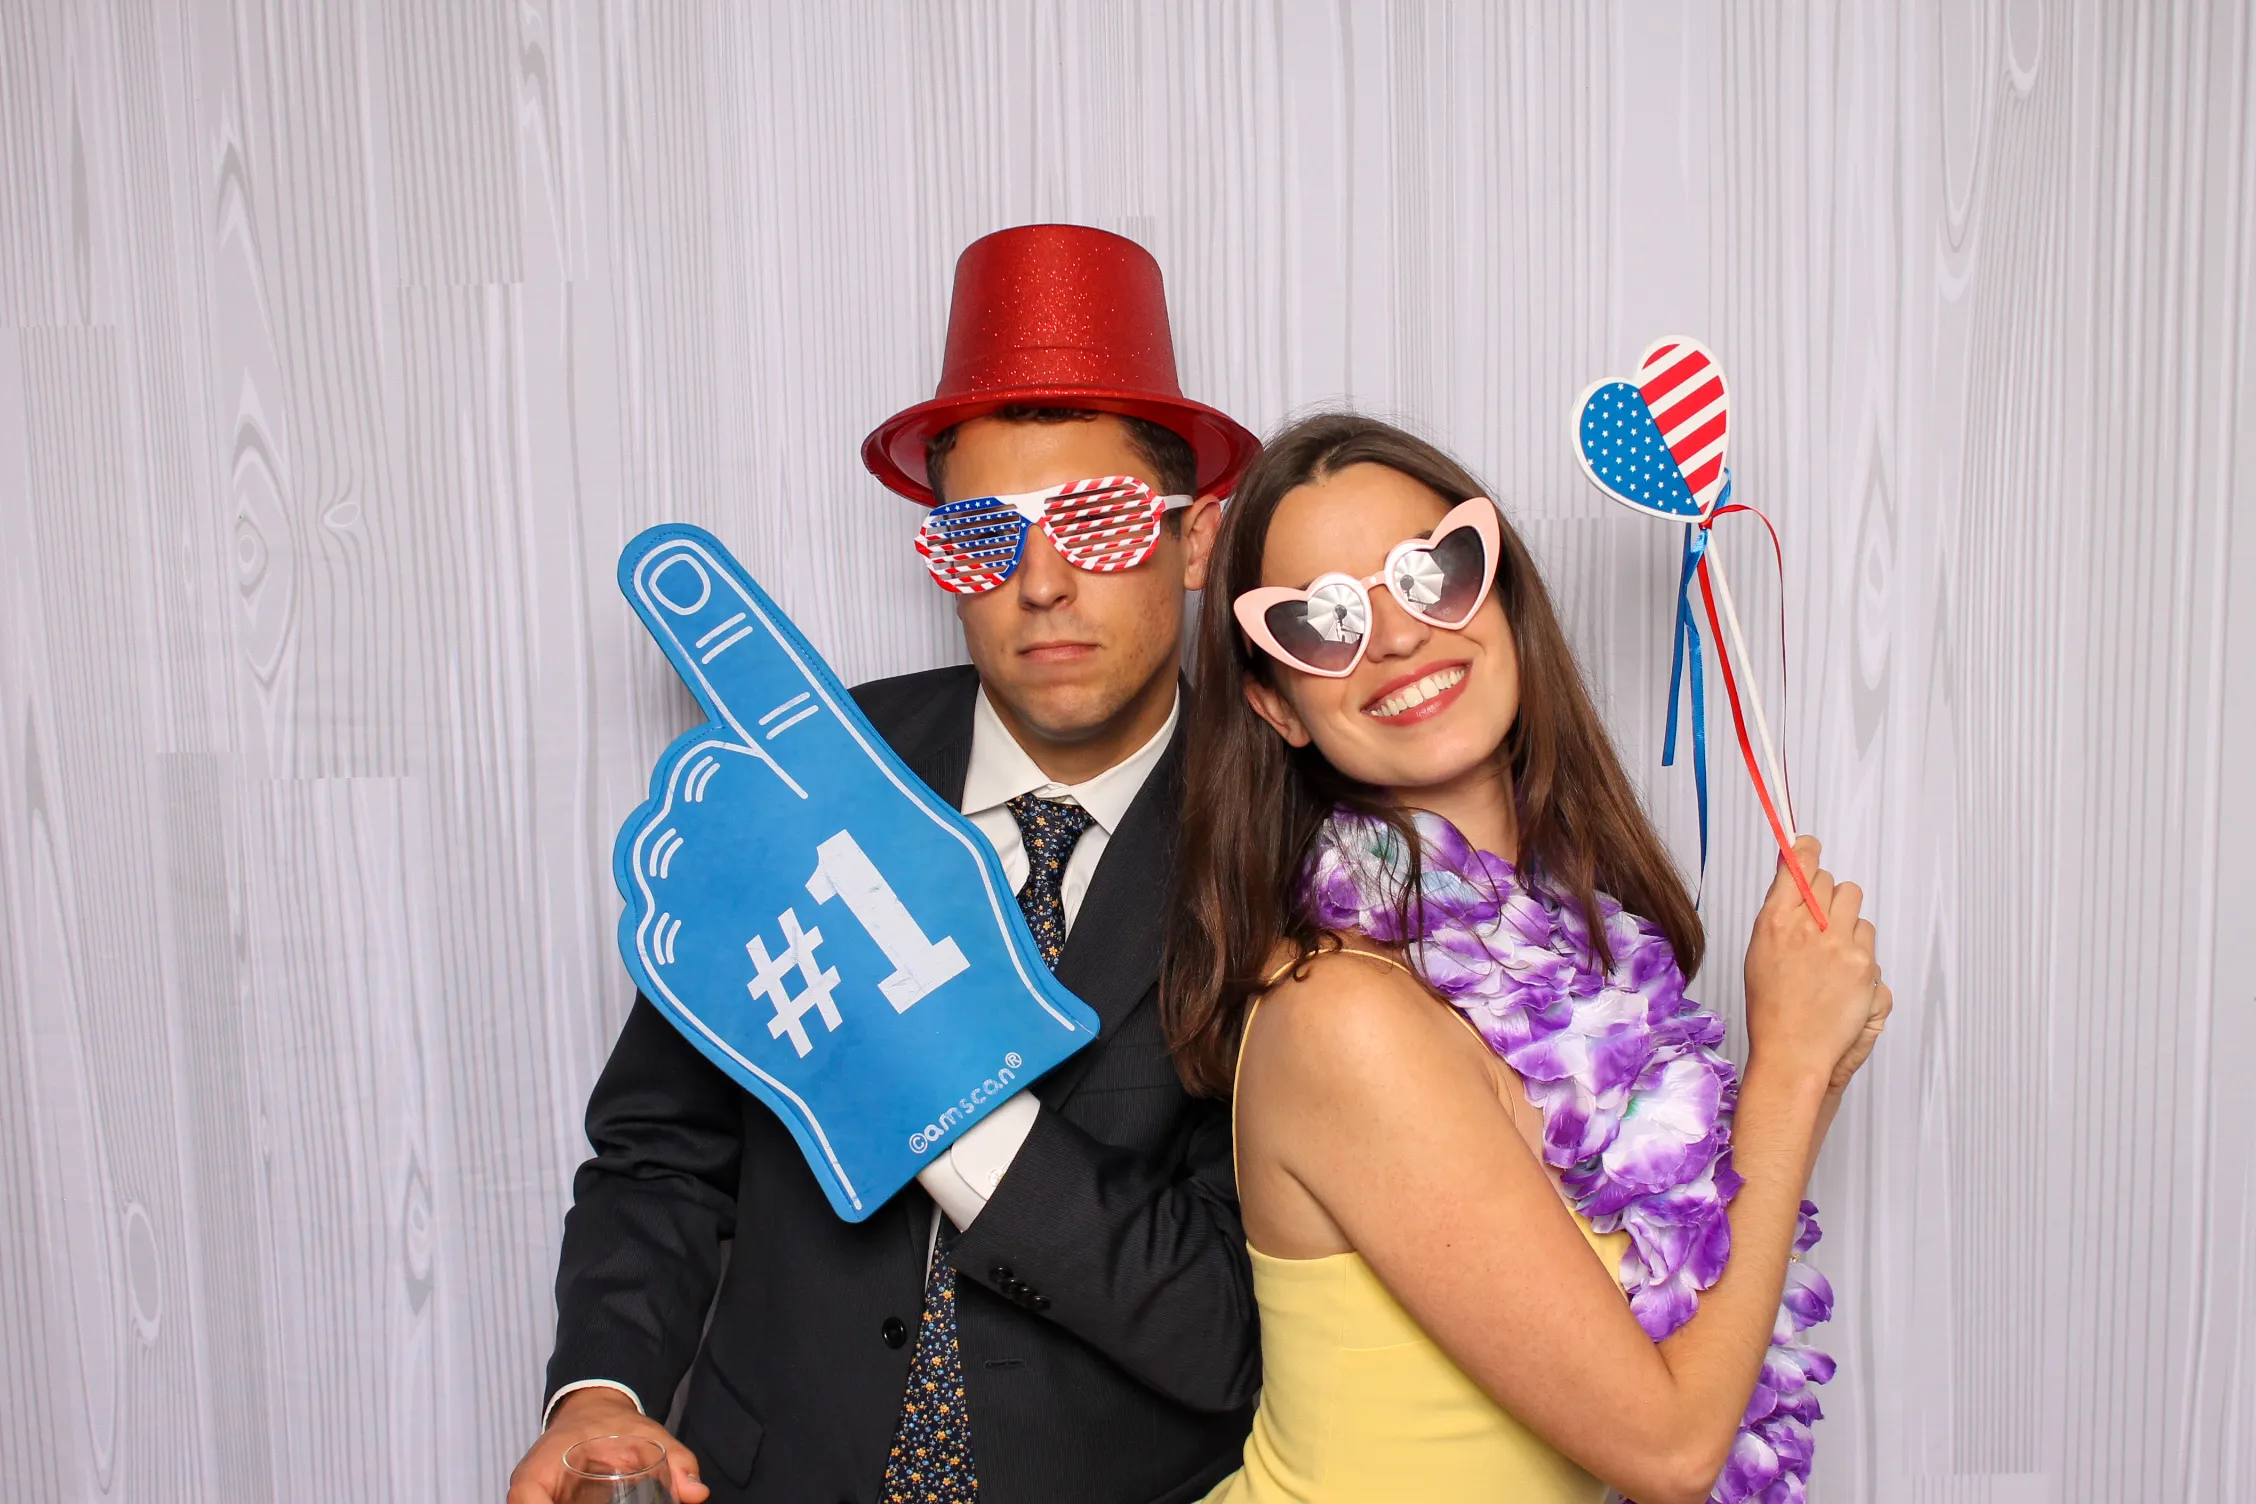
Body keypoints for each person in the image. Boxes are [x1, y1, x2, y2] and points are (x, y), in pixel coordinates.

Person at [510, 225, 1265, 1504]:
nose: (1039, 584)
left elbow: (1237, 1322)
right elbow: (664, 1149)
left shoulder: (1284, 849)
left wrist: (924, 1068)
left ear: (1196, 544)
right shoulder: (809, 774)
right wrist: (603, 1391)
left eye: (1093, 519)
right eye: (981, 532)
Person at [1162, 414, 1892, 1504]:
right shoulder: (1343, 1016)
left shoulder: (1577, 958)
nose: (1399, 637)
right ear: (1278, 704)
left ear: (1501, 593)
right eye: (1324, 623)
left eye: (1433, 572)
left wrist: (1817, 1058)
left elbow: (1696, 1286)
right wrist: (1784, 1065)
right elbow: (1672, 1448)